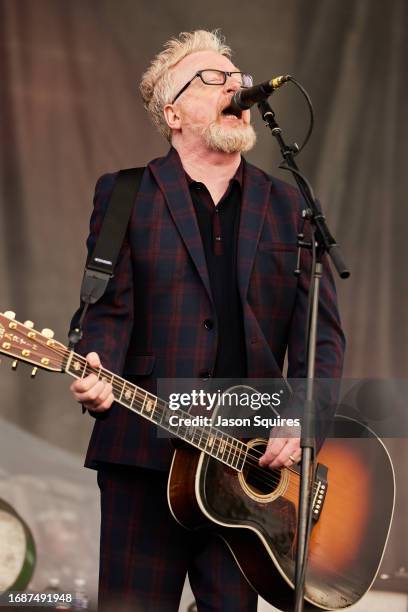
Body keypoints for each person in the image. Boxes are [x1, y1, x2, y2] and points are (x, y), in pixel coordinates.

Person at [70, 30, 345, 612]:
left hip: (246, 469)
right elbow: (108, 313)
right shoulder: (125, 196)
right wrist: (97, 369)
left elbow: (320, 336)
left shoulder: (290, 206)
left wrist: (297, 419)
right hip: (143, 457)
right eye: (213, 78)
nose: (236, 85)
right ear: (173, 112)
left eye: (237, 76)